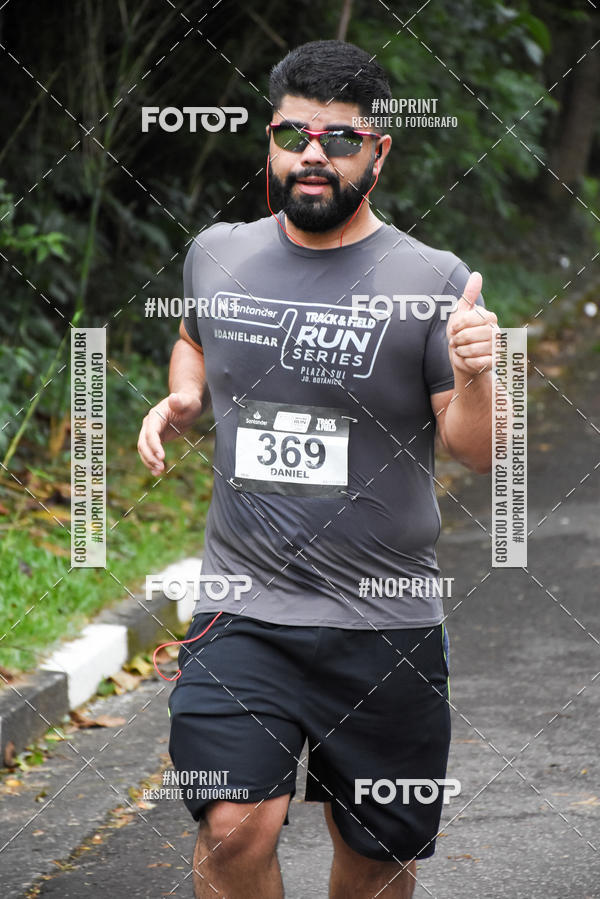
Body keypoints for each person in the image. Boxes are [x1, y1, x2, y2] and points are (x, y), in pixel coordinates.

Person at [137, 39, 498, 899]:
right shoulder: (218, 252)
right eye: (294, 134)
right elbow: (193, 335)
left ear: (378, 151)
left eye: (338, 139)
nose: (312, 155)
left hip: (385, 621)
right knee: (232, 828)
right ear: (270, 140)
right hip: (242, 610)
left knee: (378, 853)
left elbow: (476, 449)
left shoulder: (432, 280)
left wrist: (481, 374)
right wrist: (184, 398)